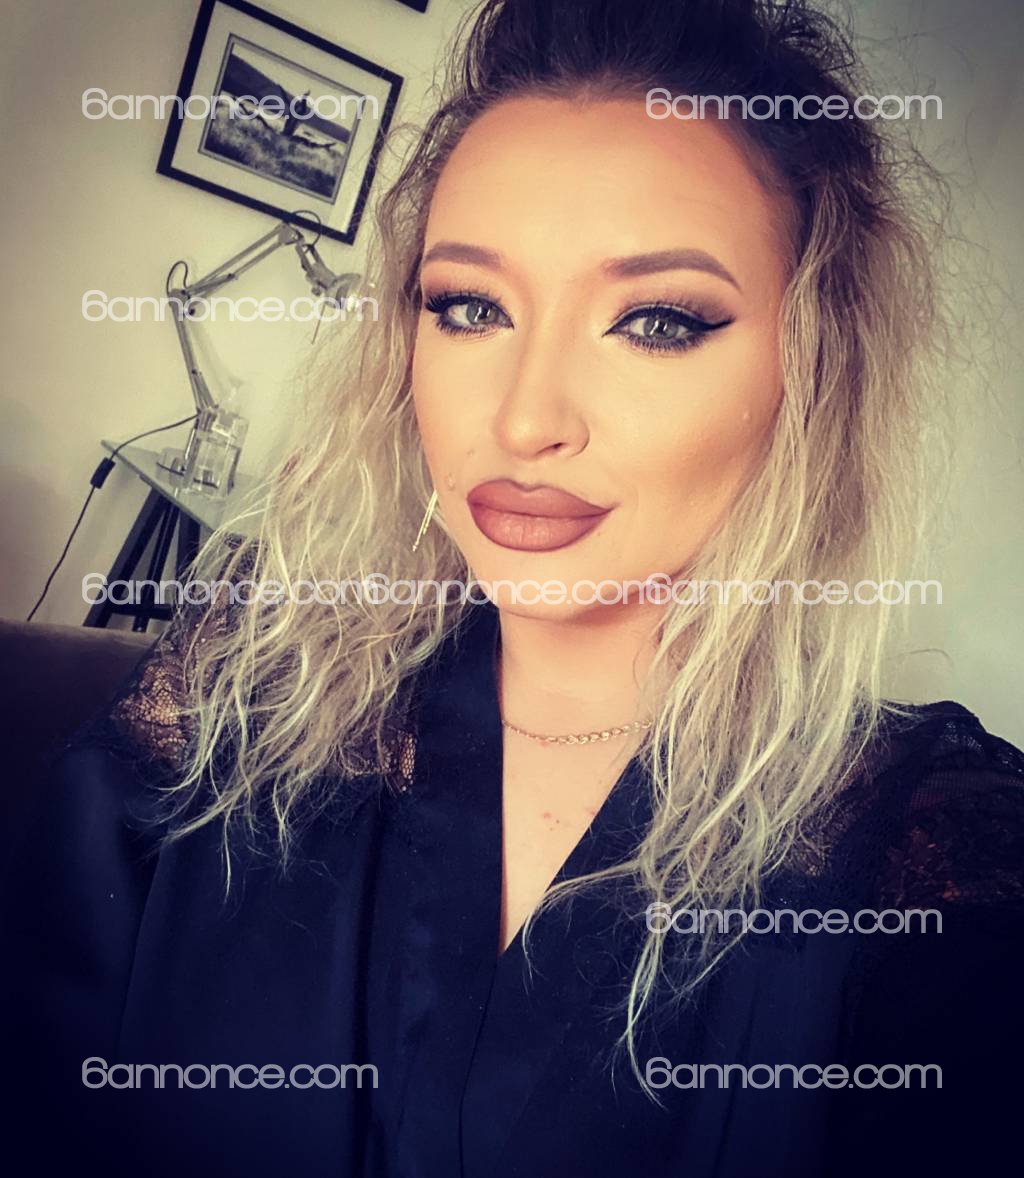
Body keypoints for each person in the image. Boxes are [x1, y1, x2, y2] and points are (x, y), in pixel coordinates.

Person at [4, 1, 1023, 1175]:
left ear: (813, 370)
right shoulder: (252, 668)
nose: (524, 417)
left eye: (656, 321)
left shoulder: (928, 852)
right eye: (470, 307)